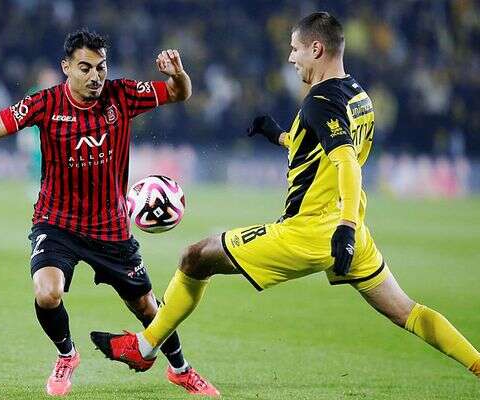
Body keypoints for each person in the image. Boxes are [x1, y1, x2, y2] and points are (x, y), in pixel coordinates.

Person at [90, 12, 480, 386]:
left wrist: (343, 227)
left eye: (295, 49)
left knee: (195, 256)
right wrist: (278, 135)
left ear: (316, 49)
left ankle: (145, 347)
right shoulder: (358, 95)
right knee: (407, 311)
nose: (291, 57)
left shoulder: (320, 101)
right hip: (350, 229)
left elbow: (346, 160)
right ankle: (477, 363)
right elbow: (320, 150)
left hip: (313, 231)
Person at [0, 29, 219, 397]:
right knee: (47, 293)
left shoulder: (122, 95)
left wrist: (178, 74)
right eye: (85, 68)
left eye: (101, 67)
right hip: (57, 223)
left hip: (110, 229)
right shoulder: (43, 104)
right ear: (66, 67)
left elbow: (179, 93)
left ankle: (180, 370)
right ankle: (66, 354)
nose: (95, 76)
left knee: (148, 308)